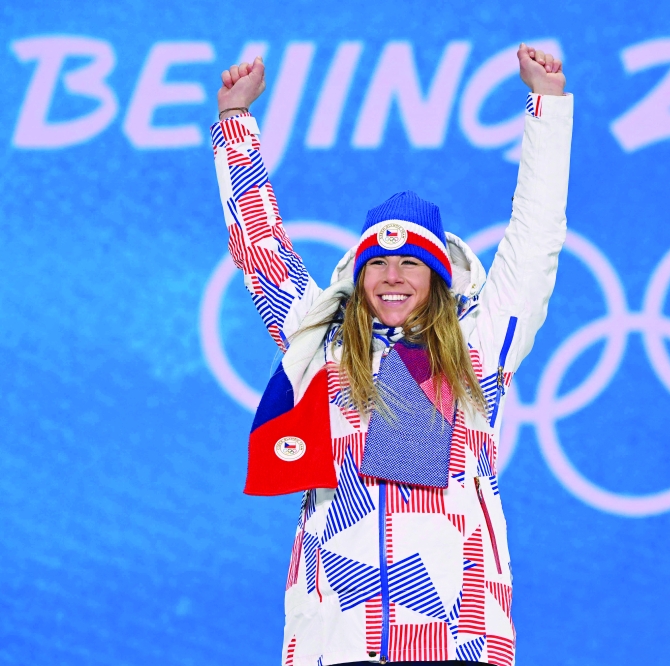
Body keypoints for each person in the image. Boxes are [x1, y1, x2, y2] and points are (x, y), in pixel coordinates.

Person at [211, 43, 572, 666]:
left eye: (411, 263)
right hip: (335, 632)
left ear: (438, 275)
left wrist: (549, 107)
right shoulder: (323, 340)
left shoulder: (479, 347)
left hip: (459, 633)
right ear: (360, 272)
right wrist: (235, 123)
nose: (393, 277)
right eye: (378, 263)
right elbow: (260, 249)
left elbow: (535, 236)